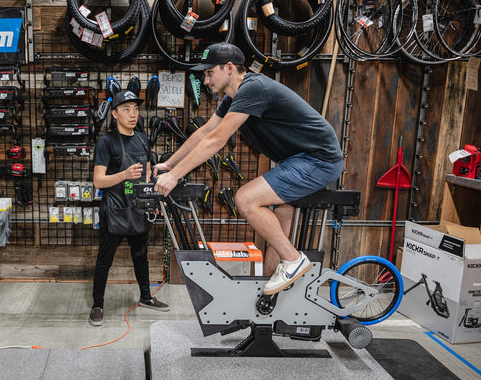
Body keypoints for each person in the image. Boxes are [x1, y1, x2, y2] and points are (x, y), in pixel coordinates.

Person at [153, 42, 344, 295]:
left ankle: (294, 260)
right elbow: (205, 132)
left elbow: (216, 140)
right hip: (298, 161)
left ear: (229, 68)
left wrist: (174, 177)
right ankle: (270, 299)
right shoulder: (232, 98)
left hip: (318, 160)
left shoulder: (254, 88)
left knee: (245, 199)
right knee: (280, 223)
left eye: (209, 72)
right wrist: (169, 164)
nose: (206, 80)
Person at [89, 90, 170, 326]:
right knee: (105, 260)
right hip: (113, 210)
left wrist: (151, 199)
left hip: (136, 208)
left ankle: (146, 297)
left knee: (141, 257)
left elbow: (145, 173)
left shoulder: (143, 139)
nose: (132, 114)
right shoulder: (106, 142)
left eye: (135, 109)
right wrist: (124, 175)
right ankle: (98, 305)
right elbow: (98, 181)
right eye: (126, 109)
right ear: (114, 114)